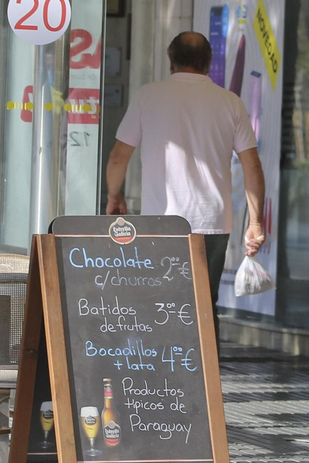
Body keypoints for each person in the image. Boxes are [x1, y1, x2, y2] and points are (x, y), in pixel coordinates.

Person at [106, 32, 265, 337]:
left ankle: (164, 375)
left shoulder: (147, 96)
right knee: (205, 303)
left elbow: (117, 158)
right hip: (213, 222)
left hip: (160, 223)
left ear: (170, 61)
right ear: (209, 63)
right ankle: (206, 380)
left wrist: (115, 196)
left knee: (160, 300)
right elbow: (252, 166)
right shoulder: (230, 102)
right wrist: (255, 221)